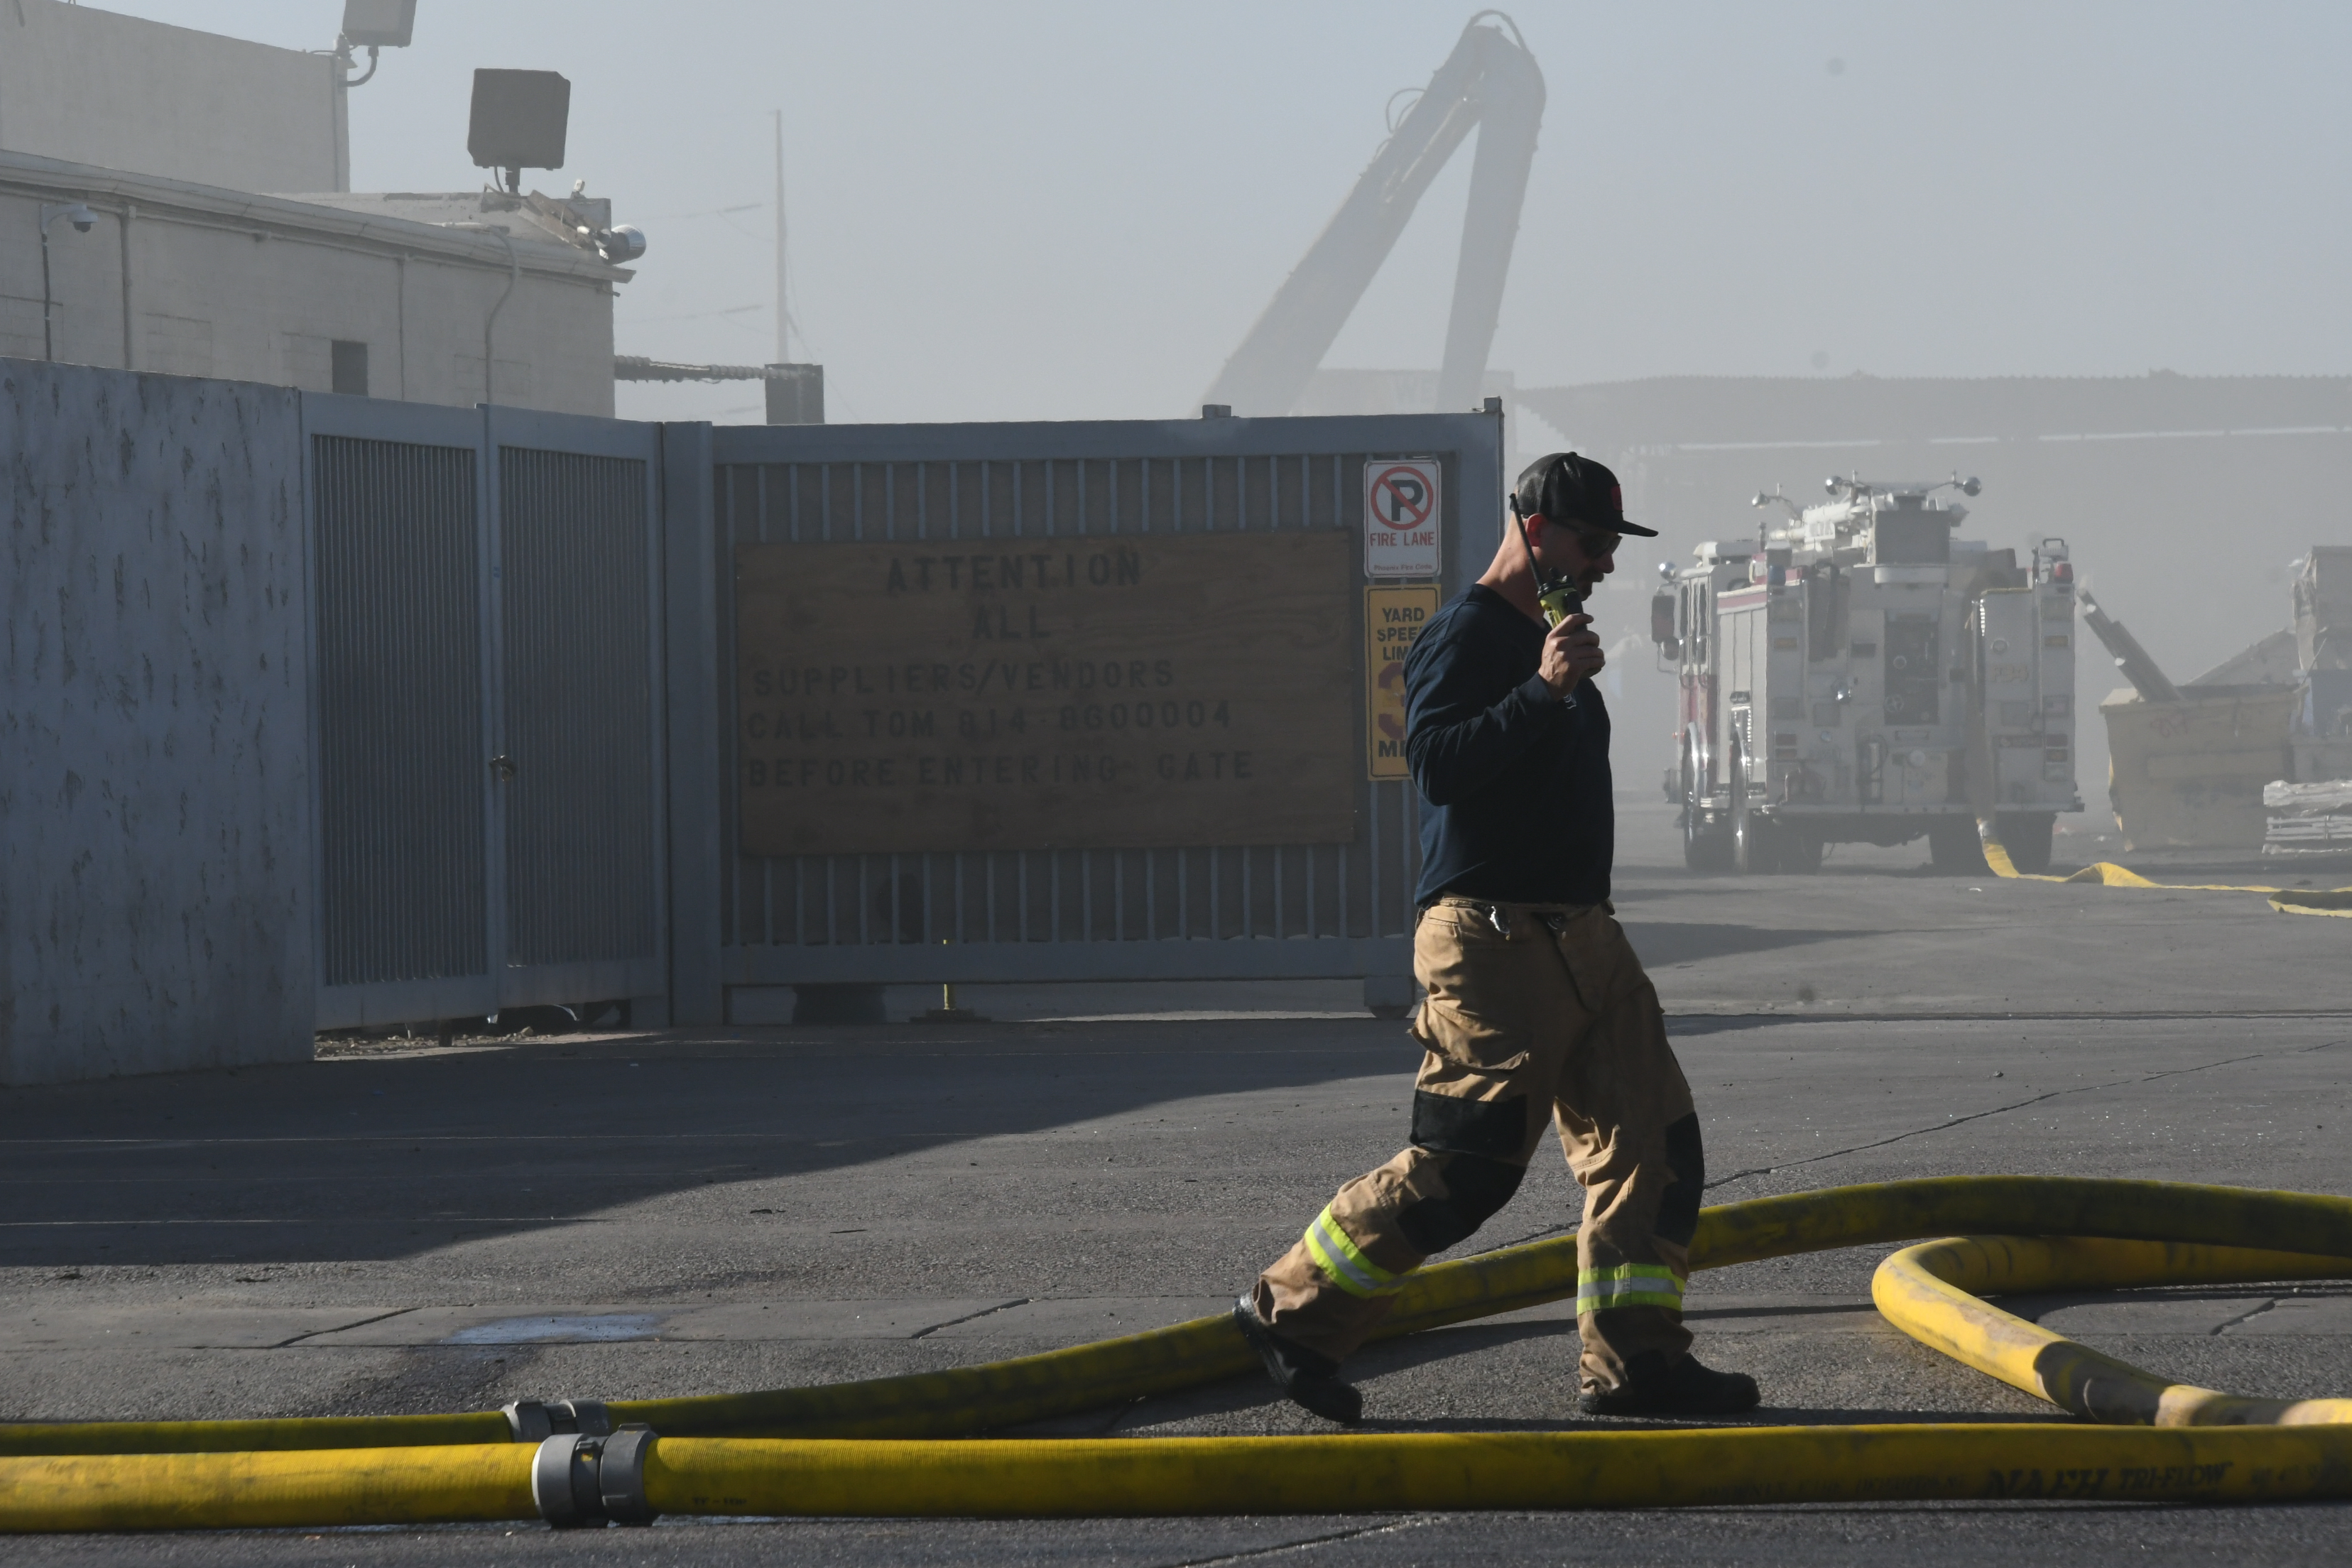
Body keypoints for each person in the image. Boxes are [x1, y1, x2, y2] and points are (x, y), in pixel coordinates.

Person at [1233, 452, 1759, 1423]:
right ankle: (1292, 1314)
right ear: (1533, 530)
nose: (1604, 563)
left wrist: (1556, 683)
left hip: (1583, 937)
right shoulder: (1467, 635)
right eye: (1592, 542)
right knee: (1467, 1165)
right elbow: (1436, 764)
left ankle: (1635, 1362)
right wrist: (1542, 690)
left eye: (1612, 546)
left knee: (1653, 1144)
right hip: (1493, 937)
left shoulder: (1550, 638)